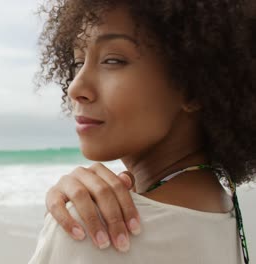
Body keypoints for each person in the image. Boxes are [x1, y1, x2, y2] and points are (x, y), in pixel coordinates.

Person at [28, 0, 255, 263]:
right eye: (78, 62)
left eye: (112, 60)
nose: (75, 88)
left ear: (192, 86)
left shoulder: (91, 231)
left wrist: (61, 223)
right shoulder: (227, 212)